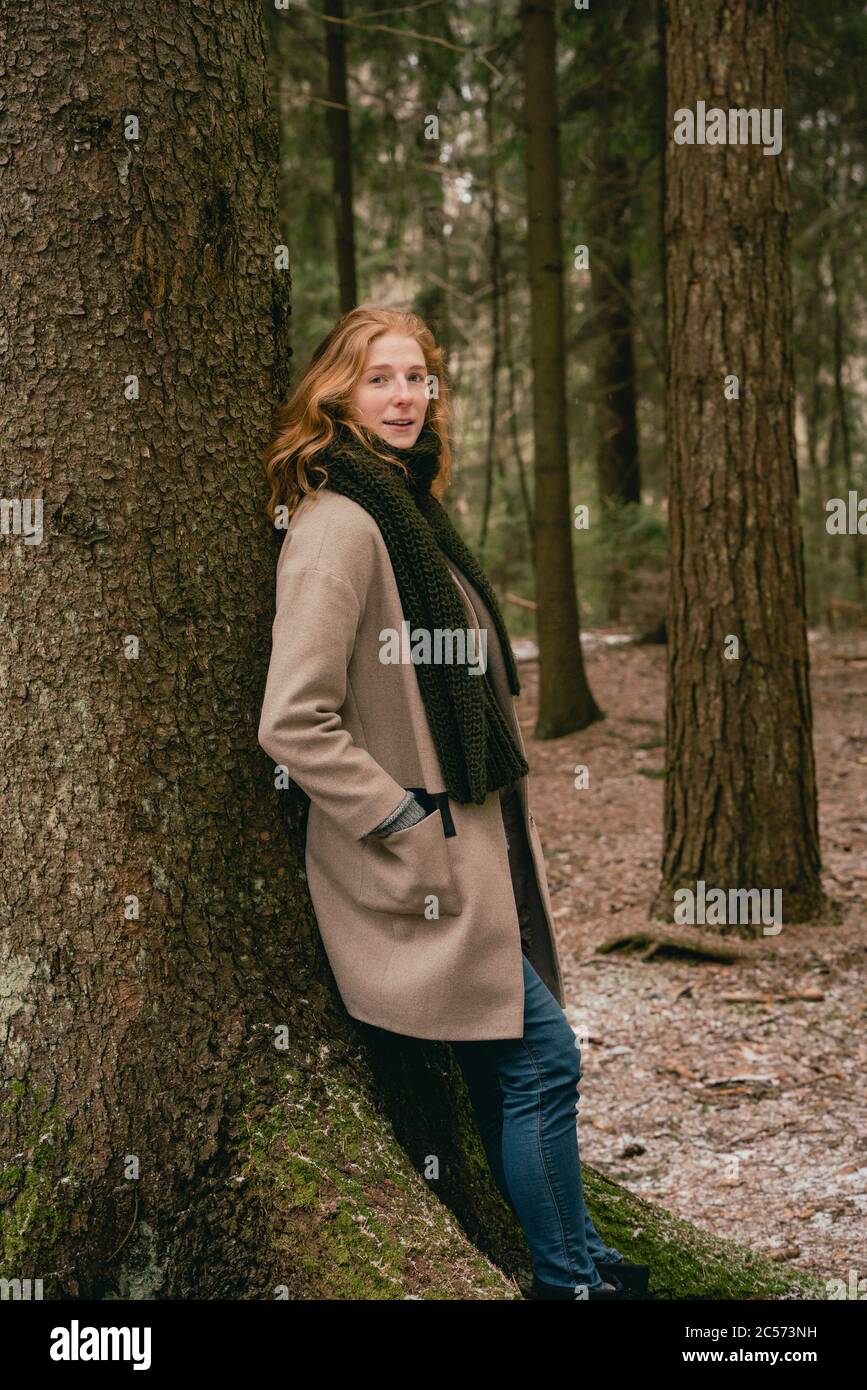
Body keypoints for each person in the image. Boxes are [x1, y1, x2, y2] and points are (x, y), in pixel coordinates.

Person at [257, 306, 648, 1300]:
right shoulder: (340, 526)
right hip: (410, 863)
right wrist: (404, 819)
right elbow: (292, 721)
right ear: (337, 392)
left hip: (471, 849)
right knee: (543, 1063)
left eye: (418, 378)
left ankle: (585, 1260)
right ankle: (571, 1285)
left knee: (507, 1071)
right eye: (380, 378)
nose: (403, 397)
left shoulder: (411, 512)